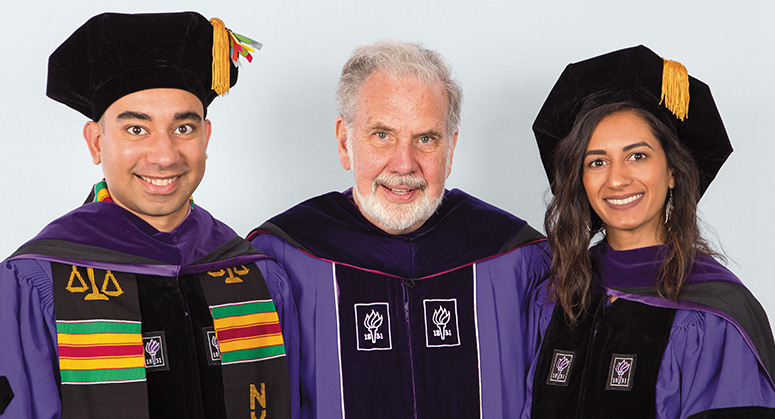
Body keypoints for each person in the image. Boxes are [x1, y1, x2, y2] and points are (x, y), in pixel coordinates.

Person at [0, 12, 296, 419]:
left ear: (206, 138)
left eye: (184, 128)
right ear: (96, 142)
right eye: (136, 129)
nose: (164, 156)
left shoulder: (256, 274)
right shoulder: (38, 281)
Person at [247, 41, 551, 418]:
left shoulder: (516, 259)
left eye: (426, 139)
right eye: (382, 135)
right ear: (345, 141)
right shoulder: (287, 258)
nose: (404, 164)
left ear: (451, 149)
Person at [528, 45, 775, 418]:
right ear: (580, 180)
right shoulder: (557, 294)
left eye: (637, 156)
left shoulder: (714, 314)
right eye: (597, 161)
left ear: (673, 170)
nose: (618, 179)